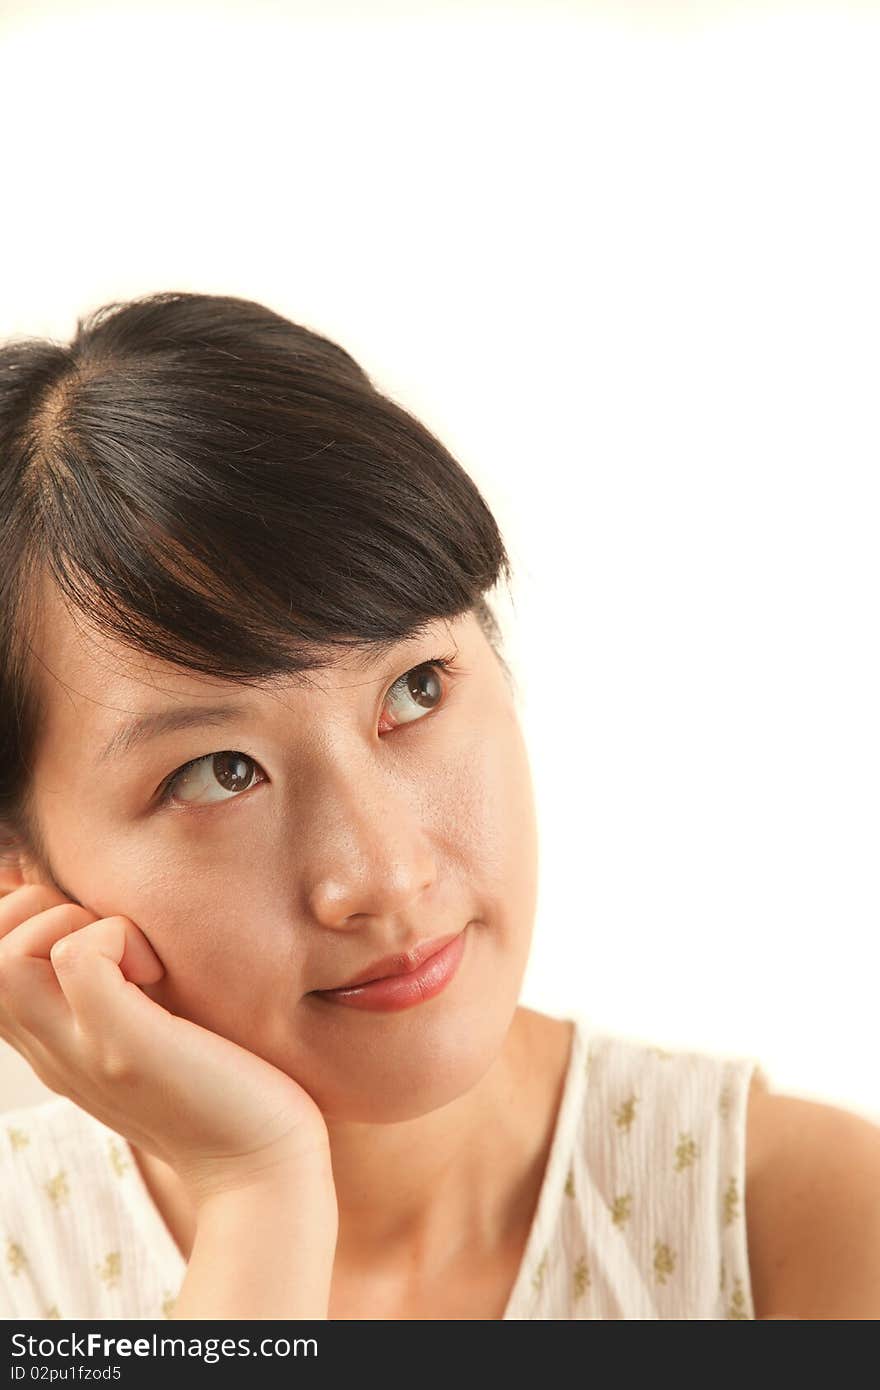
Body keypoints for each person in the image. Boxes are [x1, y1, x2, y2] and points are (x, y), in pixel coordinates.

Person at [0, 291, 877, 1322]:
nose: (385, 873)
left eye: (414, 688)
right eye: (218, 771)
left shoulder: (793, 1223)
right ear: (21, 864)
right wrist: (259, 1196)